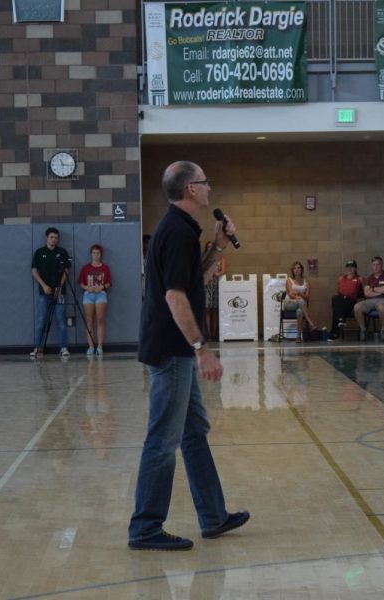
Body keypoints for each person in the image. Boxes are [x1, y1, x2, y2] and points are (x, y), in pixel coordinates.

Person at [129, 160, 249, 551]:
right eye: (205, 181)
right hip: (173, 349)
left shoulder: (180, 229)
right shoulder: (176, 233)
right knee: (163, 439)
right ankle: (146, 527)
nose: (210, 187)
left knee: (193, 432)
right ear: (191, 190)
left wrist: (216, 243)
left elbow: (191, 279)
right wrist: (202, 349)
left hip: (175, 347)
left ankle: (213, 516)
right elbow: (174, 296)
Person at [30, 227, 71, 358]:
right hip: (44, 292)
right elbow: (34, 271)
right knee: (41, 320)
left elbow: (66, 271)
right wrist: (44, 285)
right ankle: (38, 347)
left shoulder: (62, 252)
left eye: (56, 237)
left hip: (59, 293)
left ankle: (63, 347)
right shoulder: (39, 252)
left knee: (61, 320)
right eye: (52, 237)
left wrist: (60, 286)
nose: (54, 240)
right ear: (46, 237)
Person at [78, 243, 112, 356]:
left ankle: (100, 346)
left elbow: (108, 283)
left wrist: (101, 287)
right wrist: (87, 287)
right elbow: (81, 283)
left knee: (100, 319)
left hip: (100, 294)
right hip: (88, 294)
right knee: (89, 321)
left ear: (101, 254)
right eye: (94, 253)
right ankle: (91, 346)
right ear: (91, 254)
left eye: (98, 253)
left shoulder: (105, 268)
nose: (96, 255)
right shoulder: (86, 268)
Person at [353, 256, 384, 342]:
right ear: (372, 266)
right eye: (374, 265)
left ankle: (383, 330)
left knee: (381, 307)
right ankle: (363, 330)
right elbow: (366, 293)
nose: (376, 267)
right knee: (357, 307)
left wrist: (372, 289)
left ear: (382, 265)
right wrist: (380, 290)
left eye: (378, 264)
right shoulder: (369, 278)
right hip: (370, 301)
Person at [329, 259, 363, 340]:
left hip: (351, 302)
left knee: (336, 309)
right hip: (341, 301)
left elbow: (364, 292)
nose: (350, 269)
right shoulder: (341, 278)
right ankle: (341, 319)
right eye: (348, 267)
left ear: (355, 269)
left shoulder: (359, 279)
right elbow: (338, 291)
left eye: (352, 267)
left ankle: (335, 332)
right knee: (335, 299)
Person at [284, 261, 318, 342]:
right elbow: (290, 294)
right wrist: (299, 297)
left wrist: (299, 294)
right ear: (292, 270)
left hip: (301, 305)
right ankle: (310, 323)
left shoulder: (306, 282)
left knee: (300, 311)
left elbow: (307, 297)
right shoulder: (289, 280)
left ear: (302, 270)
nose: (296, 269)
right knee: (301, 301)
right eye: (295, 268)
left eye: (298, 268)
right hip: (289, 303)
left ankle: (298, 337)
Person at [201, 241, 226, 341]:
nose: (210, 249)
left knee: (215, 310)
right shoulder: (204, 259)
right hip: (206, 286)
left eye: (211, 247)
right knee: (207, 309)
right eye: (208, 247)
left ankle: (214, 333)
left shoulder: (221, 258)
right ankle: (208, 334)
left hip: (217, 286)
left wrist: (215, 273)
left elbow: (223, 270)